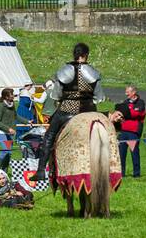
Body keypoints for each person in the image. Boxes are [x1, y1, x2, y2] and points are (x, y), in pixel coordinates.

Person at [35, 41, 105, 180]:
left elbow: (56, 95)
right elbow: (99, 97)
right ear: (86, 55)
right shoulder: (93, 73)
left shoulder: (64, 71)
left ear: (74, 55)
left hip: (67, 111)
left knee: (49, 136)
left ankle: (41, 170)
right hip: (88, 111)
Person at [114, 85, 146, 177]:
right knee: (121, 153)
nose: (126, 94)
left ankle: (136, 174)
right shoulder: (125, 102)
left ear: (134, 92)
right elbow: (120, 113)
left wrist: (128, 112)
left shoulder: (140, 102)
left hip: (133, 132)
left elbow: (137, 114)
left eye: (128, 92)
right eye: (126, 91)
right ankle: (122, 174)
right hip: (123, 131)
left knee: (134, 153)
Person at [0, 87, 17, 171]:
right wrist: (8, 129)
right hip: (1, 132)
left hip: (9, 133)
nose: (13, 96)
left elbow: (16, 116)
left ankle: (4, 173)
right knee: (5, 150)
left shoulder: (12, 104)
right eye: (12, 94)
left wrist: (27, 121)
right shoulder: (0, 106)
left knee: (9, 154)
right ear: (6, 97)